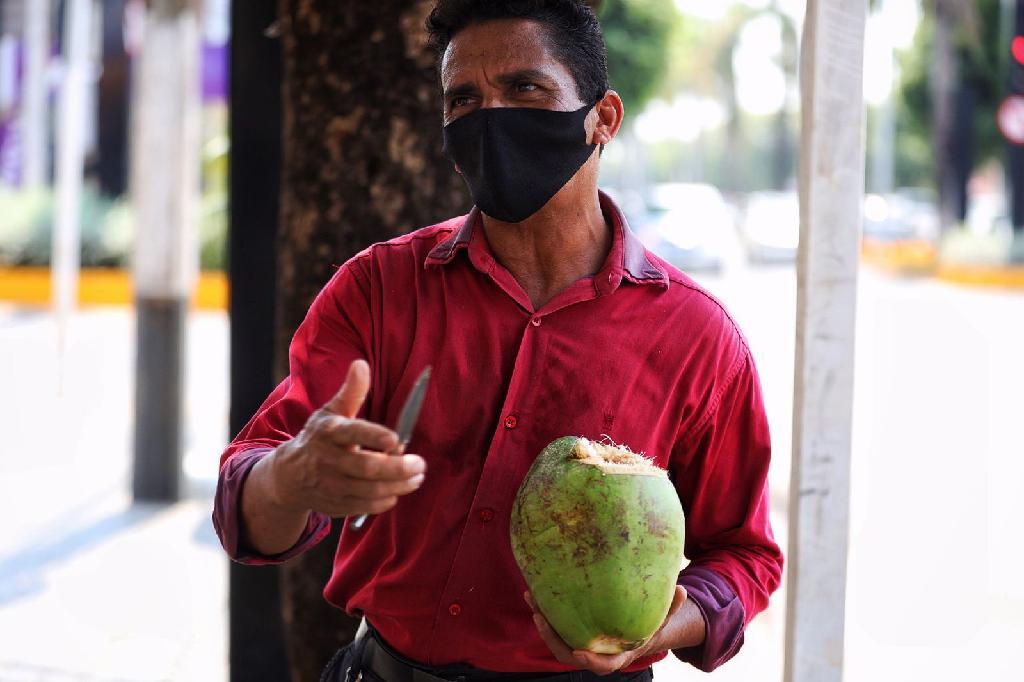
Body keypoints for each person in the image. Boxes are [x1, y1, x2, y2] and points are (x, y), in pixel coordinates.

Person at [213, 1, 783, 680]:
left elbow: (746, 555)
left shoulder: (696, 337)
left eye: (525, 89)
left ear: (602, 119)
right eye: (463, 101)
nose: (491, 118)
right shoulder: (379, 289)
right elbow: (246, 506)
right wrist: (292, 477)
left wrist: (675, 617)